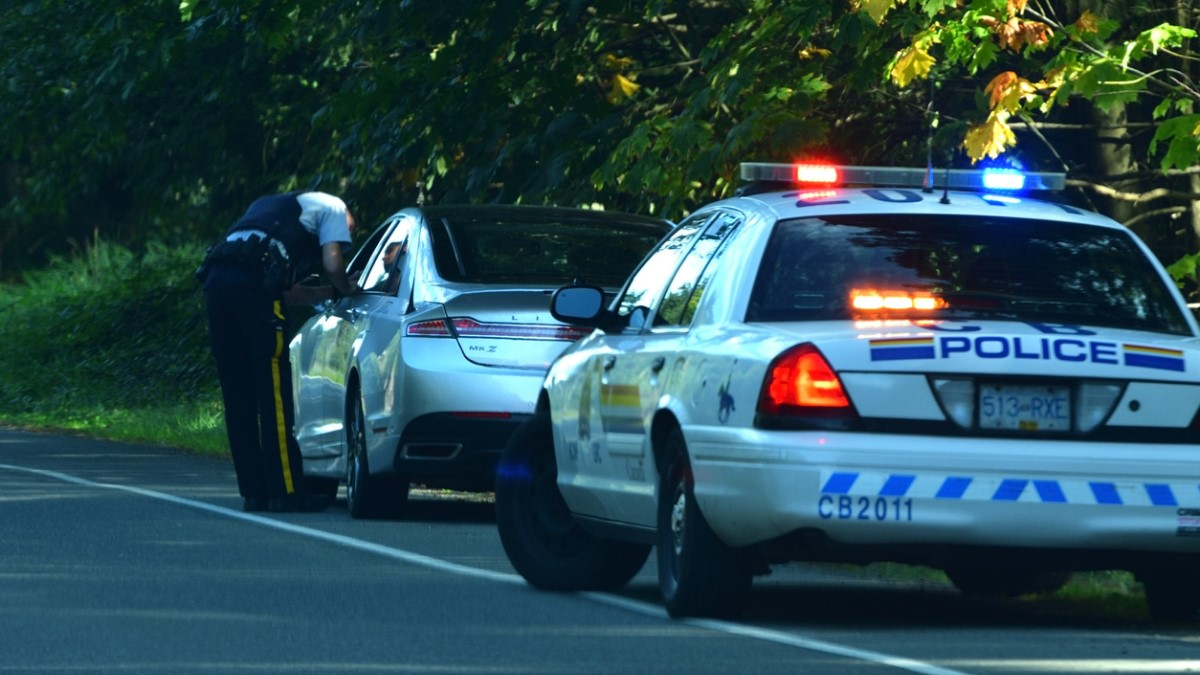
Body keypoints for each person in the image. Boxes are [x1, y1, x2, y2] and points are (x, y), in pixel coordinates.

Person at [197, 191, 361, 513]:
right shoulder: (335, 208)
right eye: (347, 236)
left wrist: (328, 293)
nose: (344, 240)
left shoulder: (267, 207)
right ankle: (287, 492)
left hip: (217, 286)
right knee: (274, 395)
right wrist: (348, 288)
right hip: (252, 287)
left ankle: (254, 493)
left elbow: (285, 292)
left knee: (238, 396)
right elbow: (332, 264)